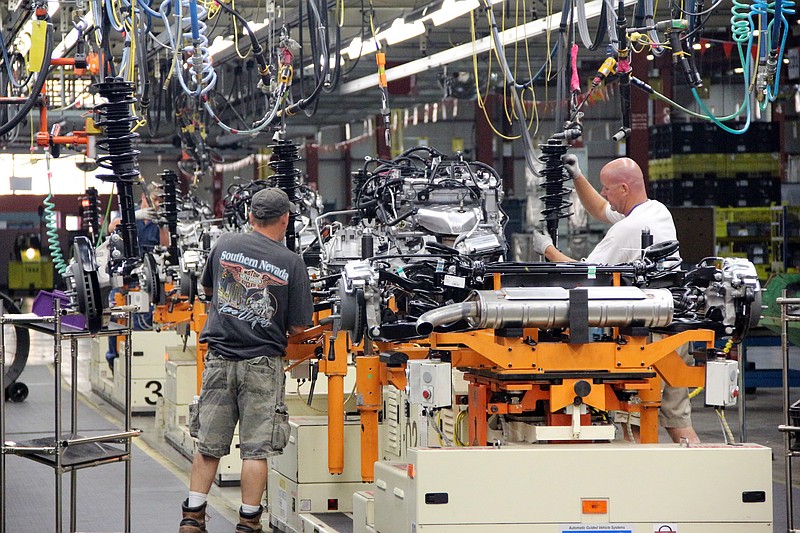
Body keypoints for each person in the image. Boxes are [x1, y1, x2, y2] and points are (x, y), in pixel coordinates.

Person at [532, 156, 700, 444]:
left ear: (624, 188)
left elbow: (584, 276)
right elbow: (600, 208)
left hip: (648, 339)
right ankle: (696, 470)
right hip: (675, 328)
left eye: (607, 188)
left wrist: (547, 249)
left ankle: (641, 480)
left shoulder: (627, 230)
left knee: (636, 419)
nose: (605, 194)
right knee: (677, 417)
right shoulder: (655, 211)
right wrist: (577, 177)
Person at [179, 188, 313, 533]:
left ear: (251, 217)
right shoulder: (291, 262)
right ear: (284, 219)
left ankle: (192, 519)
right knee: (255, 451)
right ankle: (248, 523)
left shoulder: (224, 245)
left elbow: (208, 292)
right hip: (262, 366)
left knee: (209, 445)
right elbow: (299, 326)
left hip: (219, 360)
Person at [105, 182, 169, 370]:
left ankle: (141, 362)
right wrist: (134, 217)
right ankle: (113, 358)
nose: (157, 203)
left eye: (161, 201)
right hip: (124, 275)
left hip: (147, 277)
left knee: (147, 316)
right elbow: (111, 227)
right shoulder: (129, 213)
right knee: (116, 314)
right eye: (155, 199)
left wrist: (163, 226)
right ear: (144, 198)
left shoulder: (157, 220)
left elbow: (165, 245)